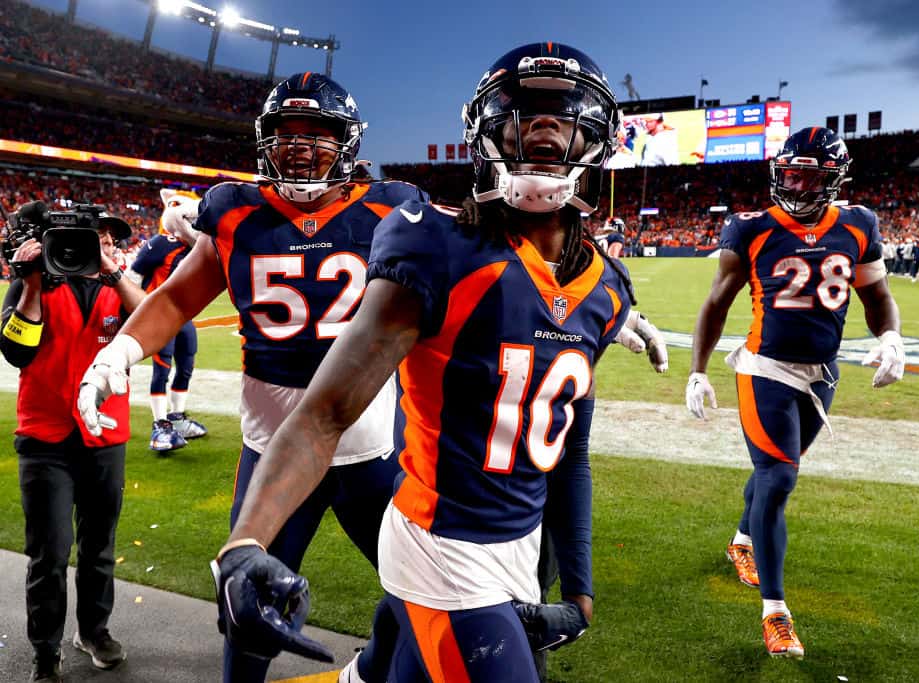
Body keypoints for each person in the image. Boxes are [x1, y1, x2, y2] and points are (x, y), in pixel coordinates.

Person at [210, 43, 635, 682]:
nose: (545, 127)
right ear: (486, 128)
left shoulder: (607, 287)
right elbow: (325, 412)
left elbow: (570, 454)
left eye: (565, 114)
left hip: (518, 551)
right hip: (444, 549)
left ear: (599, 138)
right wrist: (244, 544)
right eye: (525, 112)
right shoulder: (438, 246)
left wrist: (579, 595)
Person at [77, 72, 428, 683]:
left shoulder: (392, 209)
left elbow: (484, 273)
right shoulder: (235, 213)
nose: (298, 147)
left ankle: (369, 668)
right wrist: (120, 353)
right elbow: (174, 299)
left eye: (316, 134)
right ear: (264, 141)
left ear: (346, 144)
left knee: (427, 594)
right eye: (286, 133)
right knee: (245, 613)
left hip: (373, 448)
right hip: (273, 448)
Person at [685, 127, 904, 659]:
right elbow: (716, 304)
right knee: (778, 475)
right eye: (791, 173)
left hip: (822, 373)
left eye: (810, 174)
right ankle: (776, 613)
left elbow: (877, 294)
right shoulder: (752, 228)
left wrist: (891, 336)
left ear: (834, 179)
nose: (798, 184)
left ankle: (742, 540)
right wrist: (698, 370)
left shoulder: (857, 223)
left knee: (775, 469)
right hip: (765, 369)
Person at [0, 202, 145, 682]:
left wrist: (114, 274)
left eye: (107, 240)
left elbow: (156, 325)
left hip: (104, 433)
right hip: (45, 436)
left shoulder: (117, 287)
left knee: (99, 546)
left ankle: (93, 630)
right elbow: (16, 351)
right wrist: (33, 286)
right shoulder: (32, 282)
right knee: (51, 550)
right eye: (91, 239)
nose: (99, 247)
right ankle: (46, 650)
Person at [129, 189, 208, 452]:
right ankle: (159, 425)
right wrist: (137, 309)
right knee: (161, 370)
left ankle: (177, 416)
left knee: (186, 366)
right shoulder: (160, 243)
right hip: (161, 315)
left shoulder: (198, 245)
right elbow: (133, 276)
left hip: (185, 316)